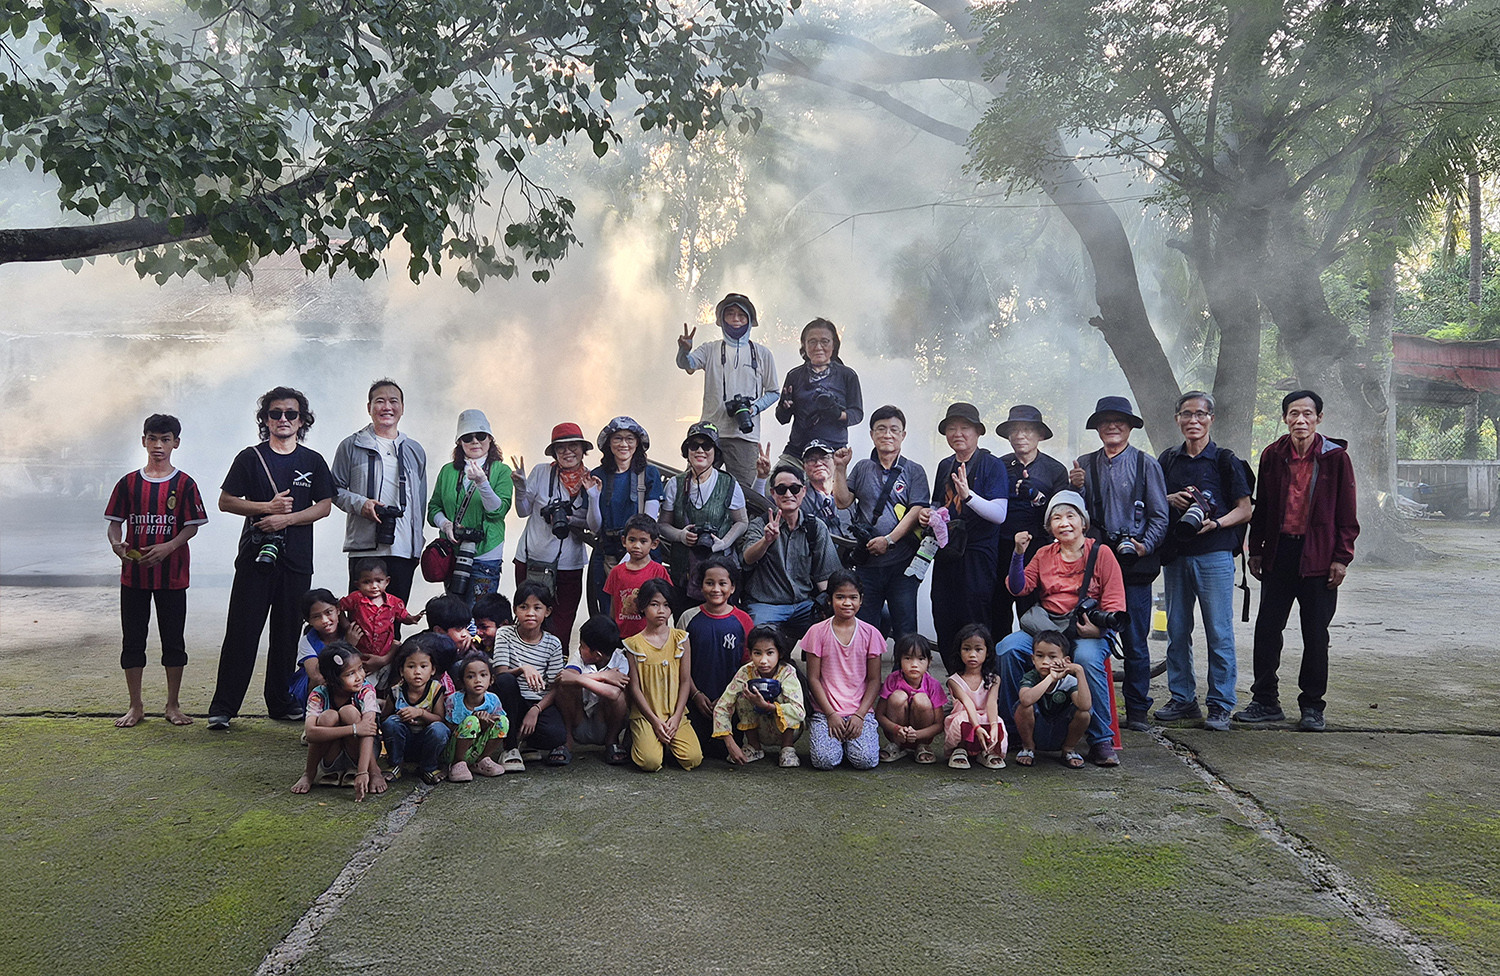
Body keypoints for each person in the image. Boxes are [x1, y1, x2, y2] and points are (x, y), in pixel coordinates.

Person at [209, 387, 333, 731]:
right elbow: (226, 501)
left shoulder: (312, 461)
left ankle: (279, 702)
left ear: (302, 420)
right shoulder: (250, 457)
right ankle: (223, 707)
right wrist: (267, 507)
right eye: (275, 413)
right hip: (255, 558)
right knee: (242, 631)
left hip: (296, 559)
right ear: (265, 419)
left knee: (287, 633)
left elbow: (324, 506)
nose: (283, 419)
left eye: (291, 414)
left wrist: (285, 520)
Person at [1236, 390, 1359, 732]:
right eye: (1293, 413)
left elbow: (1347, 513)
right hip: (1280, 553)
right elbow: (1262, 508)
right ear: (1285, 418)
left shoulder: (1335, 458)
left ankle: (1312, 706)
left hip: (1319, 556)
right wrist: (1256, 550)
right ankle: (1265, 700)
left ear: (1319, 418)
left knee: (1316, 634)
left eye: (1307, 413)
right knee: (1267, 629)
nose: (1300, 420)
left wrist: (1341, 558)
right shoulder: (1273, 455)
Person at [996, 491, 1127, 767]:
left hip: (1086, 630)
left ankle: (1101, 739)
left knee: (1087, 659)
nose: (1064, 523)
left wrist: (1099, 631)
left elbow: (1115, 603)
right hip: (1048, 629)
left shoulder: (1101, 553)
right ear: (1049, 526)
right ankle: (1014, 728)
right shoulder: (1044, 554)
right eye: (1056, 518)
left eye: (1070, 516)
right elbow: (1018, 588)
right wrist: (1018, 554)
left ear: (1083, 522)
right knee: (1007, 649)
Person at [1067, 395, 1169, 731]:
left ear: (1129, 427)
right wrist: (1075, 487)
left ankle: (1137, 709)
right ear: (1097, 428)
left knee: (1136, 639)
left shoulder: (1146, 464)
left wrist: (1144, 545)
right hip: (1094, 565)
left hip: (1133, 564)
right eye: (1106, 421)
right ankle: (1088, 705)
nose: (1112, 426)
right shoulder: (1084, 465)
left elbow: (1160, 516)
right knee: (1088, 634)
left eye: (1119, 421)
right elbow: (1073, 516)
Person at [1155, 391, 1253, 732]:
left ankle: (1221, 704)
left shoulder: (1225, 460)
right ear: (1177, 419)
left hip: (1214, 554)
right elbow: (1153, 500)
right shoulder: (1168, 459)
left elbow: (1245, 509)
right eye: (1186, 414)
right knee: (1177, 629)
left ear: (1211, 418)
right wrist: (1169, 498)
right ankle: (1182, 698)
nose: (1193, 420)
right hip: (1176, 556)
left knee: (1219, 631)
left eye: (1200, 414)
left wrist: (1217, 523)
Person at [104, 413, 208, 728]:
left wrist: (168, 547)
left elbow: (192, 527)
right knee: (133, 641)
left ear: (176, 443)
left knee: (173, 641)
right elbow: (114, 524)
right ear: (143, 441)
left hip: (172, 576)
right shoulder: (128, 483)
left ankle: (172, 705)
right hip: (134, 577)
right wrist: (117, 545)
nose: (158, 445)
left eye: (165, 439)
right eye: (152, 439)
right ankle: (135, 706)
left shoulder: (185, 484)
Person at [923, 402, 1009, 672]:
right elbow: (939, 503)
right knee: (943, 613)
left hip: (977, 554)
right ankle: (955, 681)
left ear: (978, 432)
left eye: (964, 428)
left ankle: (980, 682)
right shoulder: (945, 465)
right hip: (947, 552)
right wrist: (930, 514)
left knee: (974, 618)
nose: (957, 433)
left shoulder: (992, 465)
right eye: (951, 428)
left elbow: (999, 514)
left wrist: (968, 496)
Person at [832, 404, 931, 640]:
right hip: (867, 564)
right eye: (881, 428)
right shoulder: (862, 467)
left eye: (894, 429)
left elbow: (917, 510)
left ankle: (906, 666)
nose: (888, 434)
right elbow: (843, 501)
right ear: (872, 434)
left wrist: (888, 540)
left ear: (903, 435)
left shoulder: (914, 471)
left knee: (905, 627)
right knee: (864, 628)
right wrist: (840, 469)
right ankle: (867, 666)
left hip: (902, 563)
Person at [331, 379, 428, 612]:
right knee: (361, 620)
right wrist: (361, 504)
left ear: (402, 408)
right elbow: (334, 489)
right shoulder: (351, 445)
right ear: (369, 407)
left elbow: (420, 503)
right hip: (365, 547)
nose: (387, 407)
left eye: (393, 401)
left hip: (403, 550)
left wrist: (417, 546)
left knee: (394, 619)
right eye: (380, 401)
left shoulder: (415, 450)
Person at [675, 292, 780, 488]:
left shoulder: (763, 354)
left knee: (744, 492)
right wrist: (684, 351)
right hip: (709, 432)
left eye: (741, 315)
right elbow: (687, 365)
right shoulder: (710, 349)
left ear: (750, 320)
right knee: (693, 485)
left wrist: (753, 409)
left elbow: (774, 392)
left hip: (745, 436)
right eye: (730, 314)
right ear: (721, 319)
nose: (736, 319)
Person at [512, 422, 598, 652]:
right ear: (554, 452)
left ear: (583, 449)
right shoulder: (541, 472)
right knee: (530, 620)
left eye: (573, 446)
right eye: (561, 447)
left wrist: (572, 519)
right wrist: (520, 487)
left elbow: (594, 524)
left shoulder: (591, 479)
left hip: (569, 563)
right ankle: (526, 664)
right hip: (532, 559)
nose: (568, 452)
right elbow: (523, 511)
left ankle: (558, 667)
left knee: (562, 624)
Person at [992, 405, 1070, 637]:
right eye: (1014, 430)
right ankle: (998, 657)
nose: (1020, 435)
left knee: (1034, 612)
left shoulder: (1055, 470)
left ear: (1040, 435)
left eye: (1027, 429)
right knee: (997, 610)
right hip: (1001, 548)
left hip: (1038, 550)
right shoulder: (998, 466)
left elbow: (1062, 513)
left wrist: (1037, 497)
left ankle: (1037, 658)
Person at [740, 463, 842, 637]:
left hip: (804, 605)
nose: (788, 494)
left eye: (794, 489)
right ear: (773, 493)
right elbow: (747, 557)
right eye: (781, 489)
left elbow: (825, 576)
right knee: (759, 638)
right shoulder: (760, 523)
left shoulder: (815, 527)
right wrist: (766, 541)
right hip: (766, 604)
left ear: (803, 491)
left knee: (835, 627)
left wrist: (830, 608)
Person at [427, 409, 513, 608]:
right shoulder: (447, 471)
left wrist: (483, 483)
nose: (475, 441)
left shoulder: (501, 471)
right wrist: (445, 524)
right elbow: (433, 508)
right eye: (467, 437)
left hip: (486, 552)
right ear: (459, 442)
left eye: (480, 436)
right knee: (456, 613)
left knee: (479, 614)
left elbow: (498, 511)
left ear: (490, 439)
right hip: (454, 552)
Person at [802, 570, 883, 770]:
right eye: (840, 597)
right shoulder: (817, 632)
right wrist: (830, 714)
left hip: (859, 711)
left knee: (865, 760)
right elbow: (813, 678)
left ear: (861, 600)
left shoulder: (871, 633)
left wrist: (860, 715)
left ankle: (849, 744)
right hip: (825, 711)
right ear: (830, 600)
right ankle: (839, 744)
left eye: (853, 597)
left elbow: (874, 680)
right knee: (824, 760)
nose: (847, 603)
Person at [659, 421, 748, 603]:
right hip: (683, 573)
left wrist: (724, 542)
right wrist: (681, 536)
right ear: (687, 451)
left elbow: (742, 521)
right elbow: (662, 525)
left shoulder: (729, 483)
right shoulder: (675, 484)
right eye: (694, 445)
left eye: (706, 446)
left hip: (719, 574)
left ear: (716, 452)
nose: (700, 450)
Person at [679, 556, 756, 760]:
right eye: (709, 583)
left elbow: (748, 667)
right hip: (696, 702)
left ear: (732, 587)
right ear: (700, 585)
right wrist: (696, 695)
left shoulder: (743, 620)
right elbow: (680, 665)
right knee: (693, 752)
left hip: (731, 704)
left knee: (723, 752)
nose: (716, 589)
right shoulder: (688, 618)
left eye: (722, 583)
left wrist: (727, 700)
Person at [586, 416, 664, 616]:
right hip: (607, 551)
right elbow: (595, 527)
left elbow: (650, 521)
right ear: (608, 443)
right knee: (609, 612)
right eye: (618, 438)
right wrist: (593, 497)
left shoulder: (650, 474)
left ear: (637, 443)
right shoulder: (598, 475)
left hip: (642, 553)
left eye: (629, 438)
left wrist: (629, 556)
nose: (624, 444)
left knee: (645, 612)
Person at [625, 578, 704, 771]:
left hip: (674, 713)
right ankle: (636, 737)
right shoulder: (633, 644)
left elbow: (685, 681)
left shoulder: (681, 639)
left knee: (693, 758)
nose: (661, 610)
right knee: (649, 762)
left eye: (666, 605)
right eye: (654, 604)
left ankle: (664, 742)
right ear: (643, 606)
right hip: (646, 715)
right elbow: (634, 688)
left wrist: (676, 717)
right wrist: (654, 721)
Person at [292, 642, 384, 801]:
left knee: (349, 711)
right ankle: (309, 774)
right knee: (328, 716)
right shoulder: (319, 694)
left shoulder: (366, 690)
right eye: (350, 674)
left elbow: (368, 730)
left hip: (359, 756)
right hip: (331, 758)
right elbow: (310, 733)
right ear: (332, 681)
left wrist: (367, 772)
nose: (359, 677)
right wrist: (354, 729)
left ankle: (369, 769)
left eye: (360, 668)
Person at [491, 580, 569, 769]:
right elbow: (500, 674)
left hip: (537, 702)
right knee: (506, 681)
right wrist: (522, 669)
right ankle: (509, 748)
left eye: (537, 607)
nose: (530, 613)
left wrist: (536, 710)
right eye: (524, 607)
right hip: (511, 700)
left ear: (547, 611)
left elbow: (555, 687)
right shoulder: (505, 634)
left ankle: (527, 744)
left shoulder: (553, 643)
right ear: (515, 610)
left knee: (556, 735)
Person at [712, 624, 806, 767]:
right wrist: (730, 743)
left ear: (780, 653)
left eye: (770, 653)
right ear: (750, 654)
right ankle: (754, 746)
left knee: (784, 698)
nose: (763, 660)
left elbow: (799, 712)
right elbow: (722, 707)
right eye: (757, 653)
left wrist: (768, 706)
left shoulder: (787, 673)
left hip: (786, 730)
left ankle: (787, 748)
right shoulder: (745, 672)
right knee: (743, 696)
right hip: (759, 728)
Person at [774, 318, 863, 464]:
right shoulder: (794, 376)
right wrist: (785, 407)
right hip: (797, 452)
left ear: (834, 344)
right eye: (812, 341)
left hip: (833, 452)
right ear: (804, 345)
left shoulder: (847, 375)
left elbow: (857, 414)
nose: (818, 347)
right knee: (775, 478)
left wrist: (838, 414)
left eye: (825, 341)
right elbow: (782, 419)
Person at [555, 616, 632, 764]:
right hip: (579, 718)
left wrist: (579, 679)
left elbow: (613, 693)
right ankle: (567, 740)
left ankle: (612, 741)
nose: (579, 648)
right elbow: (565, 678)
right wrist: (603, 676)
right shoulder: (579, 656)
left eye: (582, 646)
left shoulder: (620, 660)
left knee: (620, 697)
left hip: (604, 721)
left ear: (597, 655)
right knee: (565, 688)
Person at [1013, 630, 1093, 769]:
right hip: (1038, 729)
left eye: (1052, 657)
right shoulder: (1031, 677)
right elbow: (1026, 700)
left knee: (1084, 714)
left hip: (1060, 730)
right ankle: (1028, 748)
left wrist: (1079, 671)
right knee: (1023, 707)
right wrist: (1051, 678)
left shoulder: (1069, 681)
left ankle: (1068, 749)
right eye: (1040, 656)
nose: (1045, 662)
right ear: (1033, 659)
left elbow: (1085, 706)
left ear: (1066, 661)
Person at [379, 636, 450, 784]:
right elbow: (384, 719)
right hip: (403, 742)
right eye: (411, 667)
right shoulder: (396, 691)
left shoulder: (435, 690)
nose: (417, 672)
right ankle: (396, 764)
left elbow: (440, 719)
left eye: (423, 666)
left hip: (426, 742)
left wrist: (421, 713)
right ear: (401, 670)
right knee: (391, 722)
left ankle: (429, 767)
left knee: (439, 729)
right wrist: (400, 717)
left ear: (432, 670)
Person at [338, 557, 424, 675]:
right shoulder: (355, 598)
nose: (374, 586)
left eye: (379, 581)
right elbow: (338, 608)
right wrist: (346, 625)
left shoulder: (395, 602)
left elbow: (403, 616)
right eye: (367, 582)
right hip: (360, 652)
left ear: (387, 581)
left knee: (386, 677)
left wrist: (412, 618)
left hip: (385, 653)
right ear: (358, 584)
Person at [875, 633, 946, 764]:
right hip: (896, 734)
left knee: (921, 699)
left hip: (922, 735)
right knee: (898, 696)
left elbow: (940, 724)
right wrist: (896, 729)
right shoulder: (892, 679)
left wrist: (918, 735)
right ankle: (896, 745)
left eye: (921, 659)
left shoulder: (933, 685)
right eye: (908, 658)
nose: (914, 664)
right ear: (899, 660)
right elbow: (879, 714)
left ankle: (922, 746)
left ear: (929, 661)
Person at [944, 623, 1006, 769]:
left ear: (987, 652)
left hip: (985, 718)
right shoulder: (954, 680)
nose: (972, 654)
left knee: (997, 721)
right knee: (963, 718)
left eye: (978, 649)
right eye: (967, 649)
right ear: (959, 651)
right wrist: (977, 727)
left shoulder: (994, 679)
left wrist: (993, 726)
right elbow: (967, 702)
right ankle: (960, 748)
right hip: (966, 717)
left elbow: (992, 703)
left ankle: (987, 750)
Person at [601, 514, 673, 639]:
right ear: (624, 541)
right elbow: (613, 605)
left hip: (651, 637)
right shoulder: (616, 572)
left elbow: (668, 602)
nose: (636, 546)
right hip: (623, 636)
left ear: (654, 544)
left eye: (643, 541)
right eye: (632, 540)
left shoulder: (658, 571)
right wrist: (613, 631)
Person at [291, 588, 362, 709]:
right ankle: (319, 711)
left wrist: (383, 659)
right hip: (321, 687)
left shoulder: (351, 632)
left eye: (329, 612)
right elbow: (317, 676)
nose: (324, 620)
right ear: (309, 621)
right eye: (316, 617)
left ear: (338, 610)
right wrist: (348, 646)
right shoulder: (308, 641)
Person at [444, 653, 509, 781]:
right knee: (471, 721)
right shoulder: (454, 700)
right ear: (462, 682)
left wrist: (485, 725)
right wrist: (474, 721)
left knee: (503, 721)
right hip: (454, 749)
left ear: (491, 680)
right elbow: (447, 728)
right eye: (470, 676)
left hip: (478, 747)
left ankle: (482, 760)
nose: (478, 680)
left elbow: (496, 726)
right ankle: (458, 763)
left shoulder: (493, 700)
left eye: (483, 675)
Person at [471, 592, 514, 658]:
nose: (478, 633)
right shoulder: (481, 647)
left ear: (504, 625)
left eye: (484, 627)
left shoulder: (515, 653)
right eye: (477, 627)